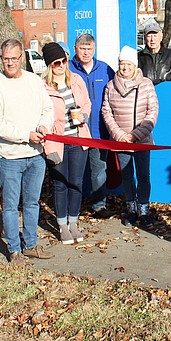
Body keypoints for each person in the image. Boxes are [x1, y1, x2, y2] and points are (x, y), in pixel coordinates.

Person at [0, 38, 55, 265]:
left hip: (35, 155)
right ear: (1, 58)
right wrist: (26, 135)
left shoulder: (34, 81)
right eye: (6, 59)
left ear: (21, 58)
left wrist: (44, 125)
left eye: (14, 59)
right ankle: (14, 250)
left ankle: (31, 244)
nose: (10, 63)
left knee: (33, 203)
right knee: (11, 205)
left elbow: (48, 108)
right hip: (10, 157)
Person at [101, 46, 159, 228]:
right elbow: (106, 111)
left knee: (143, 176)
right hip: (121, 141)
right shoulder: (111, 86)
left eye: (128, 64)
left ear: (134, 65)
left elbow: (153, 110)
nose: (124, 67)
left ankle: (144, 210)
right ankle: (131, 209)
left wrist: (136, 135)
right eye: (121, 64)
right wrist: (119, 135)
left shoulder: (146, 84)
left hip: (142, 140)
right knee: (126, 176)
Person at [41, 42, 92, 245]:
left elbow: (86, 102)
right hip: (56, 141)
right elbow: (40, 114)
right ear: (49, 65)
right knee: (60, 184)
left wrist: (84, 115)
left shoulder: (77, 79)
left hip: (78, 139)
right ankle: (62, 225)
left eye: (63, 60)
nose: (61, 65)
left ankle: (73, 222)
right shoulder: (42, 86)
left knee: (76, 182)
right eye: (56, 63)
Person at [69, 33, 115, 218]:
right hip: (74, 131)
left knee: (98, 170)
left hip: (99, 130)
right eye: (82, 49)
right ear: (75, 49)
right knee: (75, 172)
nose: (86, 52)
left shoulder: (104, 69)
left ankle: (98, 205)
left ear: (94, 49)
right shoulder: (67, 69)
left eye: (89, 49)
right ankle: (74, 206)